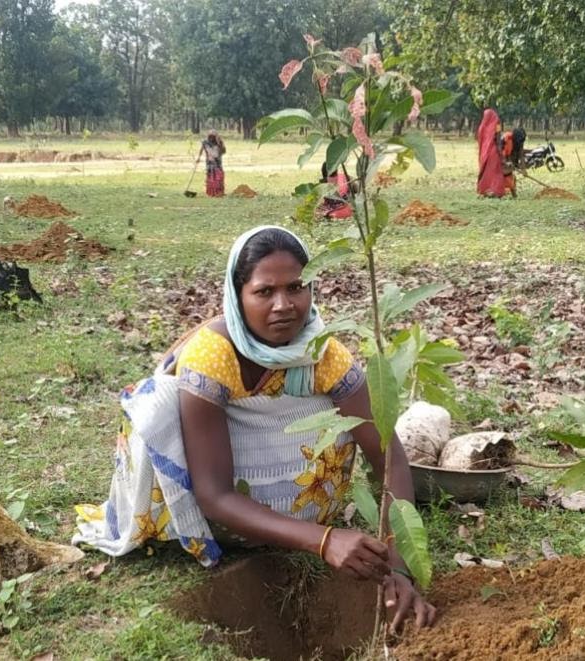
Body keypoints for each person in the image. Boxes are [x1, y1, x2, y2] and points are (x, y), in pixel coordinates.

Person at [75, 226, 436, 633]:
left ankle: (295, 522)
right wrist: (324, 540)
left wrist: (399, 569)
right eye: (265, 292)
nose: (284, 305)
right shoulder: (214, 353)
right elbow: (213, 495)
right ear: (237, 295)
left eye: (296, 287)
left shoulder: (324, 352)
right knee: (161, 400)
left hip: (301, 503)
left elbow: (390, 460)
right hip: (218, 509)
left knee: (338, 404)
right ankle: (288, 528)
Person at [476, 108, 507, 198]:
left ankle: (485, 190)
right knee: (496, 172)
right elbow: (498, 141)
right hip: (493, 152)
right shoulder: (496, 124)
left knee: (486, 172)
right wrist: (502, 156)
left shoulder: (481, 127)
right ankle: (496, 191)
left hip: (484, 153)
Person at [197, 130, 226, 197]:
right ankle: (211, 193)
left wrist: (219, 144)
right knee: (210, 177)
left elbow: (223, 151)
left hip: (218, 163)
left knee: (218, 177)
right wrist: (198, 158)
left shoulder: (219, 142)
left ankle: (219, 192)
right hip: (209, 163)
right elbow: (201, 150)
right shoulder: (205, 143)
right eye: (210, 137)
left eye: (213, 137)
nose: (211, 138)